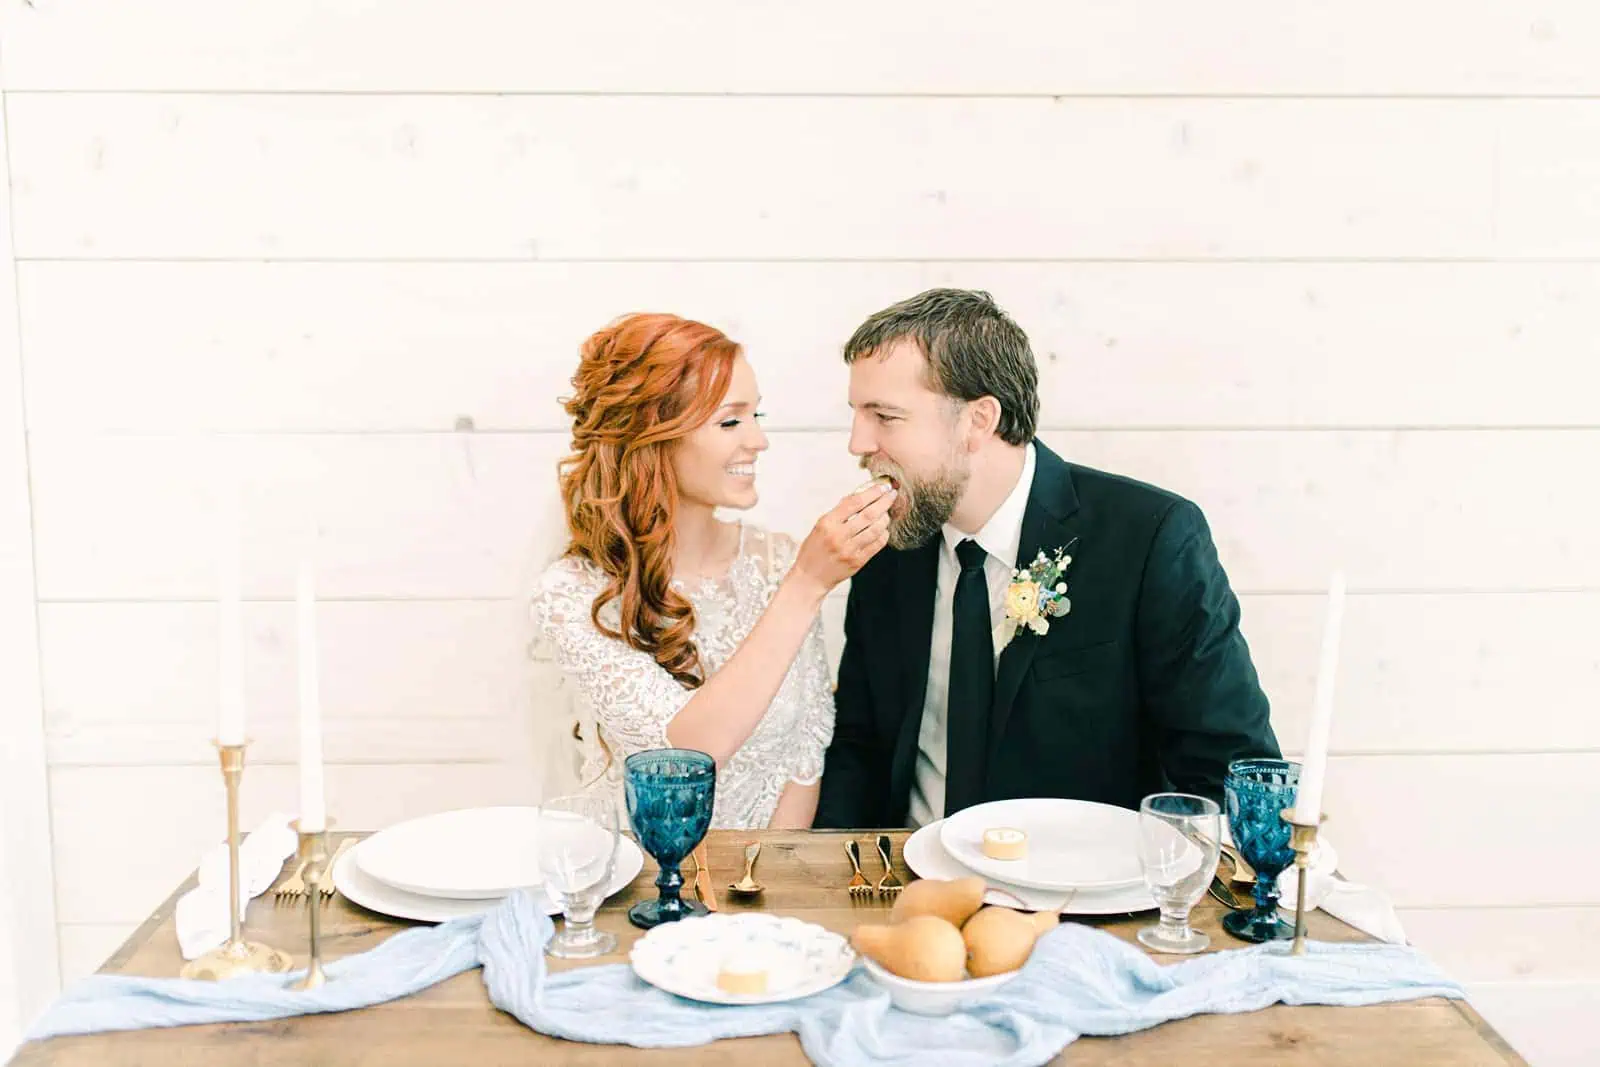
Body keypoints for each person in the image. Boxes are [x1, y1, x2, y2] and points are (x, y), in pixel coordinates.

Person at [813, 288, 1279, 829]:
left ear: (978, 421)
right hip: (913, 892)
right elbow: (860, 745)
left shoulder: (1150, 538)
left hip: (1086, 898)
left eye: (885, 417)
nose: (857, 443)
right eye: (857, 414)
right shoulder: (886, 542)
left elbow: (1230, 769)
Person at [530, 312, 894, 829]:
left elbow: (806, 751)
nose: (757, 441)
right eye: (730, 421)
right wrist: (807, 584)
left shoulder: (778, 561)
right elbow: (684, 758)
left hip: (765, 884)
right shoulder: (571, 596)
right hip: (641, 891)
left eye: (756, 417)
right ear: (653, 437)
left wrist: (762, 886)